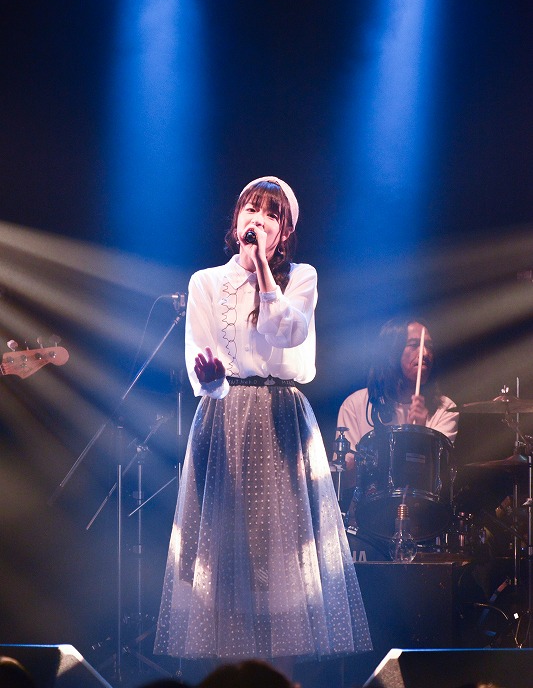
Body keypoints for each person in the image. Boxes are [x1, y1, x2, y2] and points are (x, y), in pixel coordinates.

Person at [154, 177, 371, 674]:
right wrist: (212, 381)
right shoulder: (205, 281)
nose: (257, 218)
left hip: (281, 421)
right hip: (225, 422)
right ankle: (234, 682)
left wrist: (263, 274)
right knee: (228, 568)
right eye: (250, 208)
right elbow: (201, 365)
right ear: (236, 220)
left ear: (284, 232)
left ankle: (280, 680)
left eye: (271, 214)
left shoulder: (301, 278)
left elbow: (288, 332)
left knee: (282, 568)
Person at [335, 317, 458, 490]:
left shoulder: (446, 409)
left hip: (419, 505)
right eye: (414, 345)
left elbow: (434, 479)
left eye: (429, 346)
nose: (425, 353)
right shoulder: (355, 405)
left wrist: (421, 434)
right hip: (368, 505)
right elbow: (346, 480)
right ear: (391, 352)